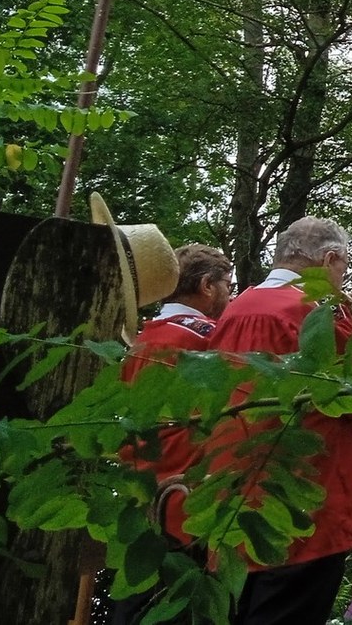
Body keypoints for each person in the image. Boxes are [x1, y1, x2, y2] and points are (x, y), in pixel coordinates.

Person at [205, 218, 352, 625]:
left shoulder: (236, 309)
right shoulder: (309, 312)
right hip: (302, 507)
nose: (342, 280)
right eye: (343, 268)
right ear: (329, 259)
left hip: (234, 501)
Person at [114, 244, 234, 624]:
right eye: (227, 285)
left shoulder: (141, 342)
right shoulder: (208, 340)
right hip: (188, 503)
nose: (230, 294)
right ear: (207, 286)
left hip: (140, 500)